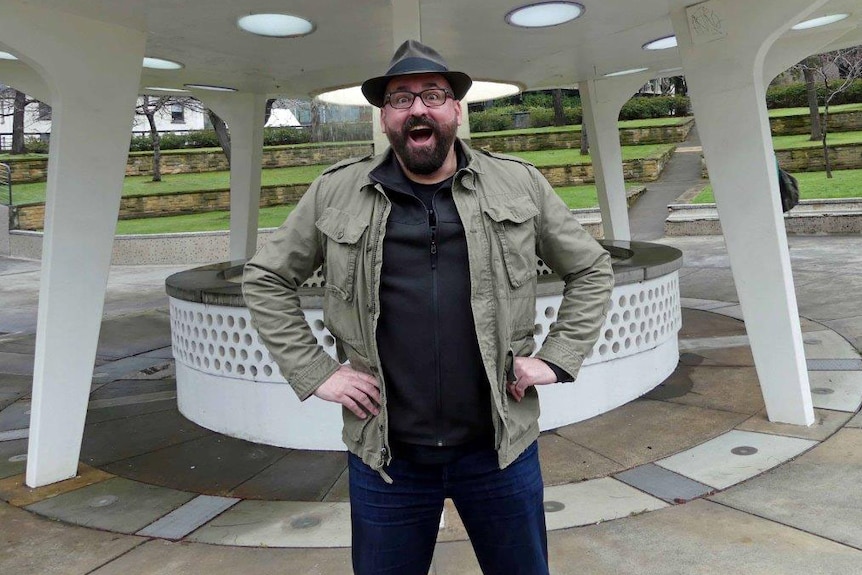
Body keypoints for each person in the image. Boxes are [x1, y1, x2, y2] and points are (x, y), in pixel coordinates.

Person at [243, 40, 614, 575]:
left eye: (433, 95)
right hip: (388, 459)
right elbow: (266, 276)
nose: (418, 108)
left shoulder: (518, 182)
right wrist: (315, 372)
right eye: (400, 98)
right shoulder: (337, 192)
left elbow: (590, 267)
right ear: (385, 118)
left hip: (498, 450)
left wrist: (557, 357)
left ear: (456, 110)